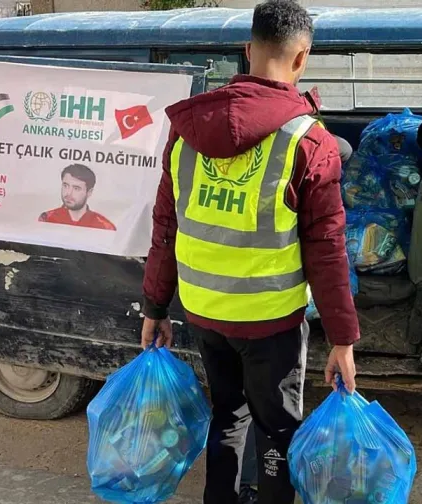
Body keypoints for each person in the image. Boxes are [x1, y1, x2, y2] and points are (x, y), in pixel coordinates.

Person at [139, 1, 360, 502]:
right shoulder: (310, 142)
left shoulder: (186, 132)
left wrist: (154, 306)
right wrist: (343, 340)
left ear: (247, 51)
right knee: (277, 431)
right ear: (301, 59)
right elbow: (327, 252)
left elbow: (165, 227)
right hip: (270, 324)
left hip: (205, 314)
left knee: (227, 416)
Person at [238, 134, 354, 504]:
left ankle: (244, 484)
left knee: (236, 409)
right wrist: (342, 339)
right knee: (274, 413)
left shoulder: (219, 149)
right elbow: (326, 255)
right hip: (275, 312)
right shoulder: (302, 146)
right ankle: (263, 485)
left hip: (218, 306)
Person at [38, 163, 116, 230]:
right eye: (65, 185)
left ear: (89, 192)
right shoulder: (47, 219)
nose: (68, 193)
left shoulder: (105, 227)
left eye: (76, 188)